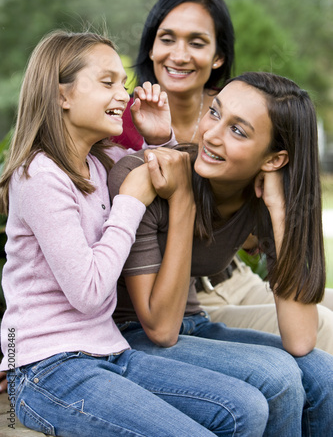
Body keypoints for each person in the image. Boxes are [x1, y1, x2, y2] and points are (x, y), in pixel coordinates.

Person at [0, 30, 273, 437]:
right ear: (62, 95)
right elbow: (89, 293)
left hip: (107, 351)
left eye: (123, 84)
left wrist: (159, 137)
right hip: (48, 368)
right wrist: (128, 202)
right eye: (107, 82)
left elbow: (174, 179)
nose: (123, 96)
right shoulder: (40, 175)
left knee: (245, 408)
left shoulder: (100, 161)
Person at [112, 0, 333, 354]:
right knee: (325, 333)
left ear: (218, 56)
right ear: (151, 46)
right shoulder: (117, 120)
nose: (179, 55)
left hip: (230, 278)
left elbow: (240, 234)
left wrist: (272, 212)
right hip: (170, 297)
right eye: (167, 38)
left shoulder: (244, 106)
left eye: (197, 42)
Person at [109, 72, 333, 436]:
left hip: (192, 327)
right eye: (214, 113)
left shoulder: (259, 197)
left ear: (275, 160)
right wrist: (182, 200)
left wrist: (278, 209)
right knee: (276, 377)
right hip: (127, 335)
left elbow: (301, 339)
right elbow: (160, 330)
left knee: (324, 374)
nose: (211, 134)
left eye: (238, 131)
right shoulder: (147, 175)